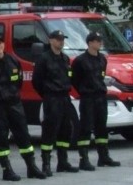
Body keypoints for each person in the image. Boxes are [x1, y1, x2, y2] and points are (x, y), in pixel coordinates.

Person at [0, 34, 46, 181]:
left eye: (0, 43)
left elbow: (19, 81)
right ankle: (6, 169)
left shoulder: (13, 60)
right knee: (1, 137)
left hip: (14, 104)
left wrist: (13, 95)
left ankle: (31, 167)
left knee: (23, 135)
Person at [32, 29, 78, 176]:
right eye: (58, 39)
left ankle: (62, 162)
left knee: (67, 129)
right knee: (50, 131)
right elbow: (36, 81)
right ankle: (46, 163)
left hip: (65, 97)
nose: (61, 42)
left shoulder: (65, 58)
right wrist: (47, 94)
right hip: (52, 98)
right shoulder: (43, 59)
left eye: (62, 39)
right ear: (51, 41)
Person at [72, 32, 120, 169]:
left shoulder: (102, 59)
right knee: (86, 127)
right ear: (90, 43)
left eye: (100, 40)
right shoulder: (80, 61)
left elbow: (101, 76)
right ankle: (84, 159)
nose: (100, 43)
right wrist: (84, 90)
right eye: (97, 41)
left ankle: (103, 157)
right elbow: (75, 80)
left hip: (101, 97)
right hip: (88, 98)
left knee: (102, 128)